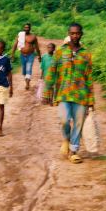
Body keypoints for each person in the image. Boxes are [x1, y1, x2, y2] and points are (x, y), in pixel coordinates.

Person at [43, 23, 94, 164]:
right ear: (69, 33)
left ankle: (74, 151)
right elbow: (52, 71)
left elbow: (89, 78)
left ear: (81, 34)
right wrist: (47, 91)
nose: (75, 36)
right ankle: (66, 139)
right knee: (64, 119)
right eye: (72, 33)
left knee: (78, 123)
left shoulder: (86, 54)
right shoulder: (60, 52)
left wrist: (91, 101)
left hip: (81, 95)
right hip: (63, 93)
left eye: (77, 33)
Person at [11, 23, 41, 90]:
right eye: (25, 27)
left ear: (30, 28)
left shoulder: (33, 37)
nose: (26, 29)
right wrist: (12, 54)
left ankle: (27, 84)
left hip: (30, 55)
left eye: (28, 27)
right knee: (24, 71)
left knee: (29, 68)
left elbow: (37, 47)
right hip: (22, 55)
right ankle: (27, 81)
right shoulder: (20, 35)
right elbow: (15, 45)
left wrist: (39, 56)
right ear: (23, 28)